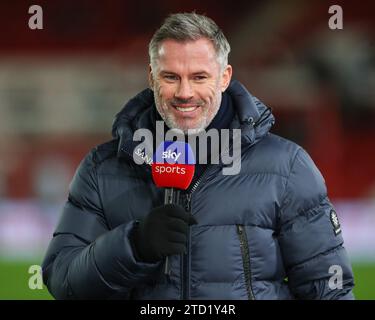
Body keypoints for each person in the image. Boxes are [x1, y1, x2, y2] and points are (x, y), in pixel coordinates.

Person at [42, 12, 354, 300]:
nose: (185, 92)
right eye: (171, 77)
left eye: (199, 77)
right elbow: (62, 280)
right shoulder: (102, 168)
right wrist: (133, 244)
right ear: (151, 77)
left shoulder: (287, 167)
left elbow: (330, 289)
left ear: (224, 77)